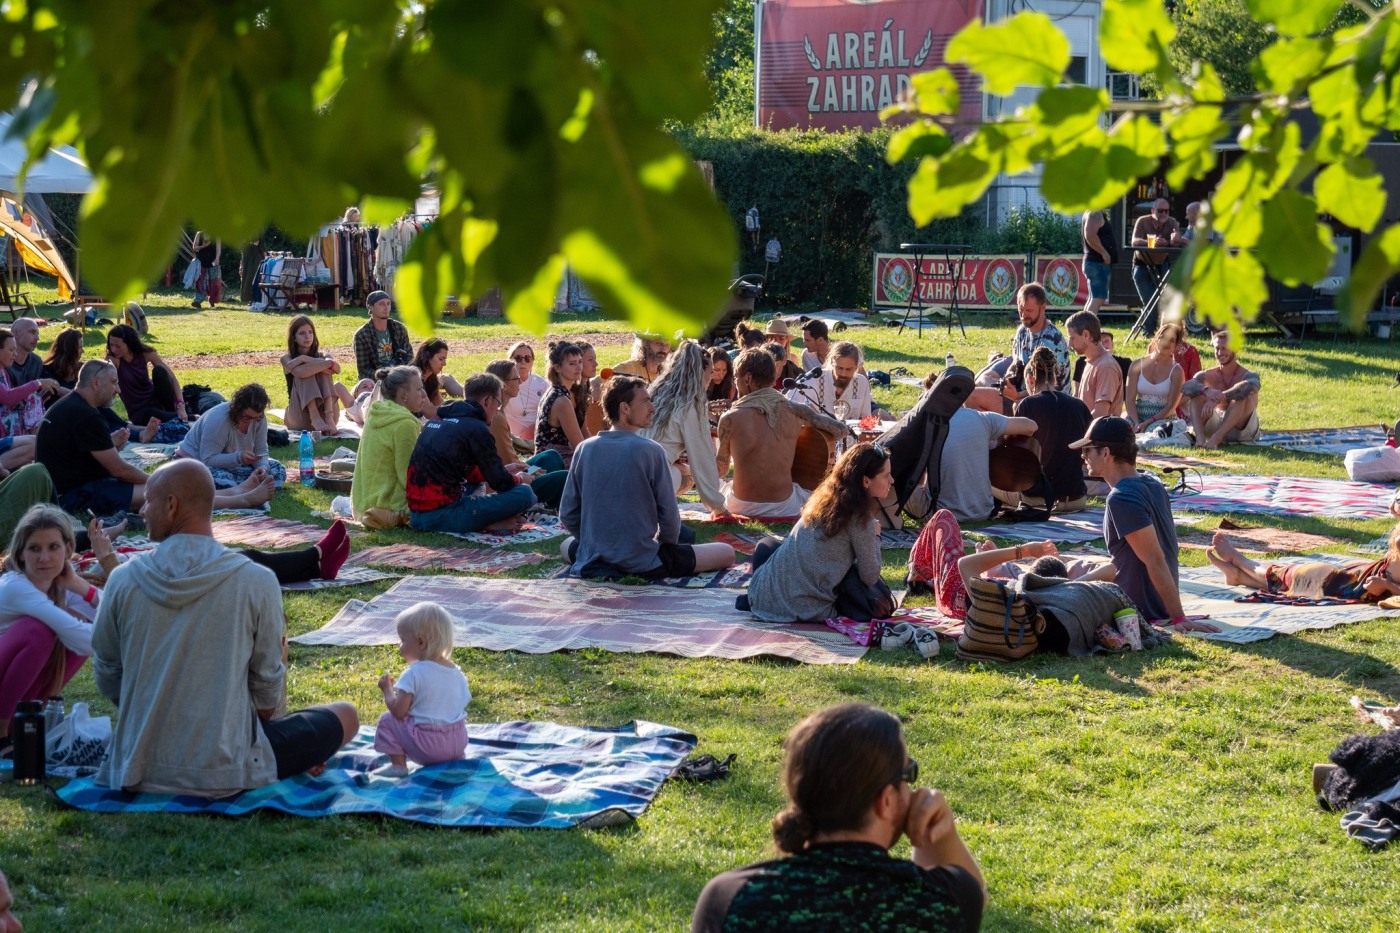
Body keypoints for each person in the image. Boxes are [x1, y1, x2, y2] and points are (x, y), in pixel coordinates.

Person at [91, 460, 359, 795]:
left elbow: (107, 674)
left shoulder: (122, 579)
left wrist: (152, 713)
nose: (142, 511)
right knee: (346, 715)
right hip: (225, 769)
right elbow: (267, 694)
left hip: (137, 763)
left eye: (148, 501)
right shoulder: (256, 581)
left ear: (172, 505)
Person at [691, 702, 985, 933]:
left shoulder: (731, 899)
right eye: (908, 774)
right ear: (885, 801)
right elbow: (971, 895)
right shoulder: (940, 903)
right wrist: (938, 834)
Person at [36, 361, 274, 515]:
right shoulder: (85, 415)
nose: (118, 390)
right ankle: (241, 500)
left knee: (170, 488)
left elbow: (85, 459)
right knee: (169, 493)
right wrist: (158, 480)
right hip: (76, 495)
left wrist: (113, 446)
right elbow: (120, 470)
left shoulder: (74, 407)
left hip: (80, 486)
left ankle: (236, 492)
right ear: (96, 383)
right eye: (114, 383)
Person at [560, 376, 735, 579]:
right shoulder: (651, 451)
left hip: (595, 557)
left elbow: (568, 513)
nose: (652, 408)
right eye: (645, 401)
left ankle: (604, 559)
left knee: (566, 545)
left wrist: (592, 544)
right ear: (625, 408)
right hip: (642, 561)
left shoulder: (584, 449)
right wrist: (664, 547)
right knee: (726, 552)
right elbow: (670, 519)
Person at [1068, 417, 1216, 632]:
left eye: (1087, 450)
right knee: (1077, 568)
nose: (1083, 457)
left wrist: (1178, 618)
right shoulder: (1153, 484)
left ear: (1106, 453)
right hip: (1158, 603)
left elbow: (1155, 560)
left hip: (1137, 609)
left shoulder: (1121, 498)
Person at [0, 504, 115, 753]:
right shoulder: (16, 587)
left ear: (68, 549)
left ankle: (28, 721)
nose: (44, 558)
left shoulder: (59, 583)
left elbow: (115, 617)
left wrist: (79, 586)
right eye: (34, 549)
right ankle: (1, 735)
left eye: (53, 547)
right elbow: (91, 640)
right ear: (21, 554)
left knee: (78, 627)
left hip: (15, 695)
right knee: (39, 632)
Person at [745, 444, 890, 623]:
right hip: (806, 608)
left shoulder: (823, 501)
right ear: (866, 481)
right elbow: (870, 577)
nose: (892, 480)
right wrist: (876, 537)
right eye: (886, 475)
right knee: (769, 547)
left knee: (766, 546)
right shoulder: (860, 519)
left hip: (761, 598)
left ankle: (771, 599)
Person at [716, 349, 846, 519]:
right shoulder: (795, 410)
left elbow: (721, 470)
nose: (735, 383)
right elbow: (841, 431)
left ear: (747, 378)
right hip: (785, 506)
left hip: (741, 505)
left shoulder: (729, 418)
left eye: (736, 378)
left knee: (718, 486)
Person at [406, 374, 540, 534]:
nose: (497, 410)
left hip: (416, 514)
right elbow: (500, 483)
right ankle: (489, 522)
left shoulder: (441, 416)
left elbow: (461, 469)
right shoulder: (476, 428)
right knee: (525, 493)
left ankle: (490, 520)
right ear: (487, 401)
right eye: (498, 404)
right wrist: (519, 478)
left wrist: (504, 470)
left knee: (477, 484)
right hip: (442, 515)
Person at [374, 602, 470, 777]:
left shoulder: (414, 673)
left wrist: (387, 690)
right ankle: (455, 763)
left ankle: (398, 766)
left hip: (430, 748)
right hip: (458, 744)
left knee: (387, 720)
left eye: (402, 640)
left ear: (420, 642)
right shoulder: (457, 672)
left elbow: (399, 712)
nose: (399, 646)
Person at [640, 339, 732, 520]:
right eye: (710, 372)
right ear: (699, 373)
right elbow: (702, 459)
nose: (711, 379)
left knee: (681, 467)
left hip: (629, 468)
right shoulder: (692, 403)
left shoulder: (656, 391)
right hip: (649, 477)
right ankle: (656, 507)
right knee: (688, 474)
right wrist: (718, 507)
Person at [1207, 522, 1400, 602]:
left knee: (1293, 576)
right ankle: (1238, 575)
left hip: (1348, 585)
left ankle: (1239, 562)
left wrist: (1387, 586)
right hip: (1355, 576)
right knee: (1291, 576)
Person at [1003, 347, 1091, 513]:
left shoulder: (1028, 405)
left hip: (1041, 499)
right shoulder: (1079, 405)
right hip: (1077, 498)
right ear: (1055, 377)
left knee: (988, 483)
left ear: (1030, 379)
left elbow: (1014, 458)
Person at [481, 359, 569, 505]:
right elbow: (508, 464)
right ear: (503, 384)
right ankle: (541, 505)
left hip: (510, 472)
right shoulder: (495, 418)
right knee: (564, 477)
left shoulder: (499, 412)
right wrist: (533, 473)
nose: (521, 382)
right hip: (505, 486)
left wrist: (532, 469)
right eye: (516, 379)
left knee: (550, 456)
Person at [349, 365, 426, 528]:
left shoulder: (376, 414)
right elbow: (409, 476)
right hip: (388, 506)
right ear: (403, 393)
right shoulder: (405, 424)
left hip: (362, 504)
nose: (424, 394)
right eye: (419, 389)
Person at [175, 383, 288, 489]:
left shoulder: (259, 419)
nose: (251, 422)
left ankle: (242, 487)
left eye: (256, 418)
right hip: (196, 462)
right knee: (222, 479)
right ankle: (242, 488)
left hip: (232, 465)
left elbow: (260, 451)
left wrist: (262, 468)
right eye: (246, 417)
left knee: (277, 470)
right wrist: (238, 457)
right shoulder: (218, 419)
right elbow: (208, 459)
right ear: (236, 407)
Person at [1181, 330, 1261, 449]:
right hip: (1216, 424)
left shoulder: (1249, 375)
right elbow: (1186, 387)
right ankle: (1200, 439)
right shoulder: (1207, 375)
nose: (1220, 352)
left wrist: (1216, 399)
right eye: (1217, 348)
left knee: (1240, 396)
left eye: (1224, 348)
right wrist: (1207, 391)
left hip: (1242, 429)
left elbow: (1250, 386)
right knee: (1196, 392)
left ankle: (1215, 440)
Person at [282, 315, 355, 434]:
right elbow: (300, 373)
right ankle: (314, 415)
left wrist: (305, 359)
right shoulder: (287, 358)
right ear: (294, 337)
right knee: (308, 371)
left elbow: (337, 368)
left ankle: (328, 416)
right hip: (300, 417)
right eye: (302, 333)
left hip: (328, 417)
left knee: (319, 368)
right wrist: (322, 363)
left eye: (310, 332)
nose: (307, 336)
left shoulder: (324, 355)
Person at [106, 323, 186, 425]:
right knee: (151, 414)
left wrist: (180, 405)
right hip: (140, 413)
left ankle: (174, 414)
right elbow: (104, 381)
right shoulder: (113, 360)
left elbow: (172, 378)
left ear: (129, 344)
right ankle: (182, 417)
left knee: (160, 371)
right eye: (111, 345)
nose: (113, 350)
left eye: (118, 346)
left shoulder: (144, 353)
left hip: (157, 402)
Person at [787, 340, 873, 421]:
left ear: (856, 367)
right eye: (840, 368)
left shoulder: (862, 383)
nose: (843, 374)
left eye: (848, 369)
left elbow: (866, 419)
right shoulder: (814, 379)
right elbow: (788, 406)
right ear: (832, 362)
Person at [1009, 282, 1070, 394]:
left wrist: (1016, 396)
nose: (1023, 315)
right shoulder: (1022, 331)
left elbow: (1046, 386)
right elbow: (1015, 363)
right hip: (1025, 391)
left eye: (1029, 311)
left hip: (1052, 398)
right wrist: (1007, 379)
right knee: (981, 390)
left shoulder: (1053, 340)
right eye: (1021, 310)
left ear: (1043, 308)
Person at [1125, 322, 1185, 433]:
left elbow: (1171, 406)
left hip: (1162, 419)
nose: (1166, 343)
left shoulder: (1177, 371)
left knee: (1152, 434)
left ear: (1175, 346)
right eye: (1164, 338)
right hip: (1136, 416)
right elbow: (1129, 400)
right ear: (1156, 339)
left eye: (1172, 340)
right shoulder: (1136, 365)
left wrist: (1148, 422)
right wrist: (1136, 423)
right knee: (1121, 431)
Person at [534, 341, 586, 467]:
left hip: (561, 456)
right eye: (572, 363)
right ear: (557, 368)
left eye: (580, 362)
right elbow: (579, 445)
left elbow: (584, 432)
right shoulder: (561, 400)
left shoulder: (571, 393)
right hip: (553, 462)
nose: (579, 367)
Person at [1066, 310, 1123, 418]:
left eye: (1072, 338)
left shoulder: (1106, 367)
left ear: (1086, 335)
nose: (1069, 344)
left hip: (1100, 429)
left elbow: (1100, 414)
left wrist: (1074, 426)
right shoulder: (1091, 362)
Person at [1129, 199, 1185, 310]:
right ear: (1153, 211)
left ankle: (1159, 321)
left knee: (1167, 301)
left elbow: (1176, 241)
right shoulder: (1142, 221)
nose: (1164, 214)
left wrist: (1171, 241)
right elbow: (1134, 242)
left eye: (1166, 211)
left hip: (1162, 263)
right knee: (1149, 302)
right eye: (1160, 211)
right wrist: (1152, 242)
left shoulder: (1172, 222)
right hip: (1142, 263)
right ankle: (1149, 321)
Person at [353, 290, 413, 383]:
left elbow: (409, 357)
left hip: (400, 377)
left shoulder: (399, 328)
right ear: (370, 307)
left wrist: (400, 372)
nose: (386, 307)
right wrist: (379, 374)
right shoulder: (362, 335)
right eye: (381, 304)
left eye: (388, 304)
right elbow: (363, 370)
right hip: (376, 382)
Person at [502, 341, 548, 440]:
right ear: (510, 360)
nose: (523, 362)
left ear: (532, 362)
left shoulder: (542, 383)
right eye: (518, 358)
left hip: (539, 437)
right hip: (513, 439)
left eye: (527, 358)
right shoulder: (504, 384)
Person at [412, 338, 464, 418]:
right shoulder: (413, 377)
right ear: (427, 356)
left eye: (444, 359)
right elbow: (429, 412)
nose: (444, 363)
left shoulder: (431, 379)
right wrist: (457, 408)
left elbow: (441, 405)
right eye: (441, 359)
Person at [1081, 208, 1117, 315]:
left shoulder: (1092, 212)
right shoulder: (1094, 212)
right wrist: (1104, 253)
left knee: (1093, 298)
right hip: (1097, 264)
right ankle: (1087, 324)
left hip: (1094, 263)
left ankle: (1083, 323)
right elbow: (1090, 235)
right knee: (1097, 299)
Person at [40, 326, 83, 399]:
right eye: (80, 347)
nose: (83, 351)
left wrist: (62, 390)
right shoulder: (46, 372)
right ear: (70, 350)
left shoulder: (82, 371)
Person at [190, 231, 222, 308]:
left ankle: (212, 301)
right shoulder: (199, 234)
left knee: (214, 282)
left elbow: (218, 249)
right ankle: (197, 301)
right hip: (201, 261)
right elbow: (194, 247)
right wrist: (203, 246)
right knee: (200, 282)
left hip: (213, 261)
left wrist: (217, 259)